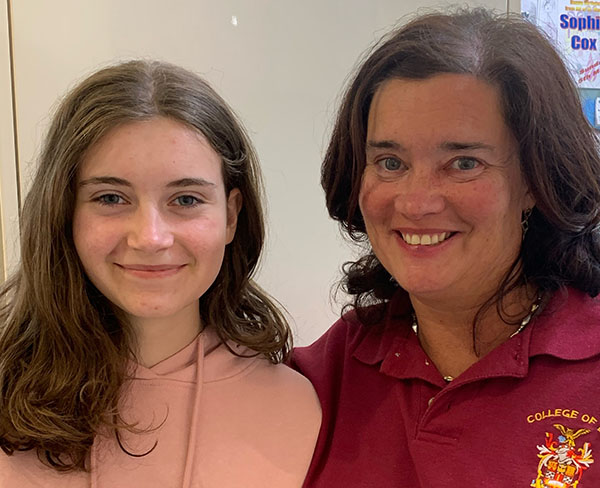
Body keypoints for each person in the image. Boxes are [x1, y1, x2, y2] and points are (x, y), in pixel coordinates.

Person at [291, 7, 600, 487]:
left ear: (535, 181)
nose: (416, 203)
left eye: (463, 163)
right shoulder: (323, 377)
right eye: (390, 162)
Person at [0, 60, 321, 487]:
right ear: (65, 212)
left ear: (231, 216)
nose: (150, 238)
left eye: (186, 200)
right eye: (111, 197)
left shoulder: (297, 408)